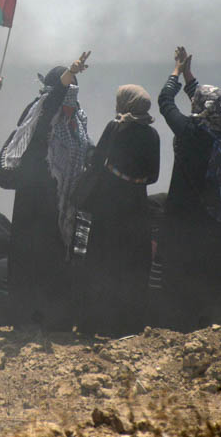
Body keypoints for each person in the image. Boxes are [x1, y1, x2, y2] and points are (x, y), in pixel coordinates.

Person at [0, 52, 92, 333]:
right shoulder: (40, 111)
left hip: (61, 205)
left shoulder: (77, 119)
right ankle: (26, 319)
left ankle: (56, 319)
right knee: (30, 259)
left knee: (56, 261)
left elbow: (86, 148)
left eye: (74, 88)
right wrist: (66, 78)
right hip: (34, 201)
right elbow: (51, 104)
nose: (70, 95)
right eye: (66, 87)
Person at [156, 46, 221, 330]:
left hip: (185, 220)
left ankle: (180, 329)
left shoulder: (190, 133)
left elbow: (164, 101)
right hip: (217, 221)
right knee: (211, 279)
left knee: (182, 279)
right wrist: (189, 77)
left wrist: (175, 71)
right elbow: (206, 102)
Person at [76, 84, 160, 337]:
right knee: (131, 266)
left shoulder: (116, 127)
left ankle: (92, 324)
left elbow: (96, 159)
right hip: (136, 206)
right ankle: (127, 327)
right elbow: (153, 177)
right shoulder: (153, 134)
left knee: (101, 262)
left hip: (109, 204)